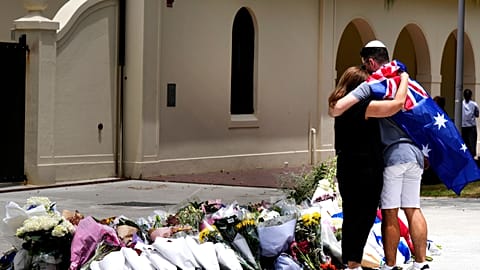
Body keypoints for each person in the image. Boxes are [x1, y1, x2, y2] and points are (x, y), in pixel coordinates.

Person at [330, 40, 430, 270]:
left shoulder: (346, 106)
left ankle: (376, 264)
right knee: (410, 208)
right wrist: (404, 77)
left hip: (359, 165)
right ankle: (419, 262)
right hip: (398, 159)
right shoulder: (373, 101)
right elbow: (396, 105)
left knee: (371, 214)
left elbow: (334, 108)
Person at [328, 65, 409, 270]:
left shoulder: (339, 106)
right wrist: (404, 79)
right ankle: (353, 263)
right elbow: (397, 104)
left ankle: (350, 262)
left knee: (351, 215)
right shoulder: (362, 106)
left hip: (346, 166)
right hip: (366, 168)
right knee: (364, 217)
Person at [462, 88, 479, 159]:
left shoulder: (460, 103)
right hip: (471, 126)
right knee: (472, 142)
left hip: (462, 125)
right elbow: (477, 114)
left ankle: (465, 155)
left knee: (464, 142)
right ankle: (472, 155)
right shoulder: (474, 104)